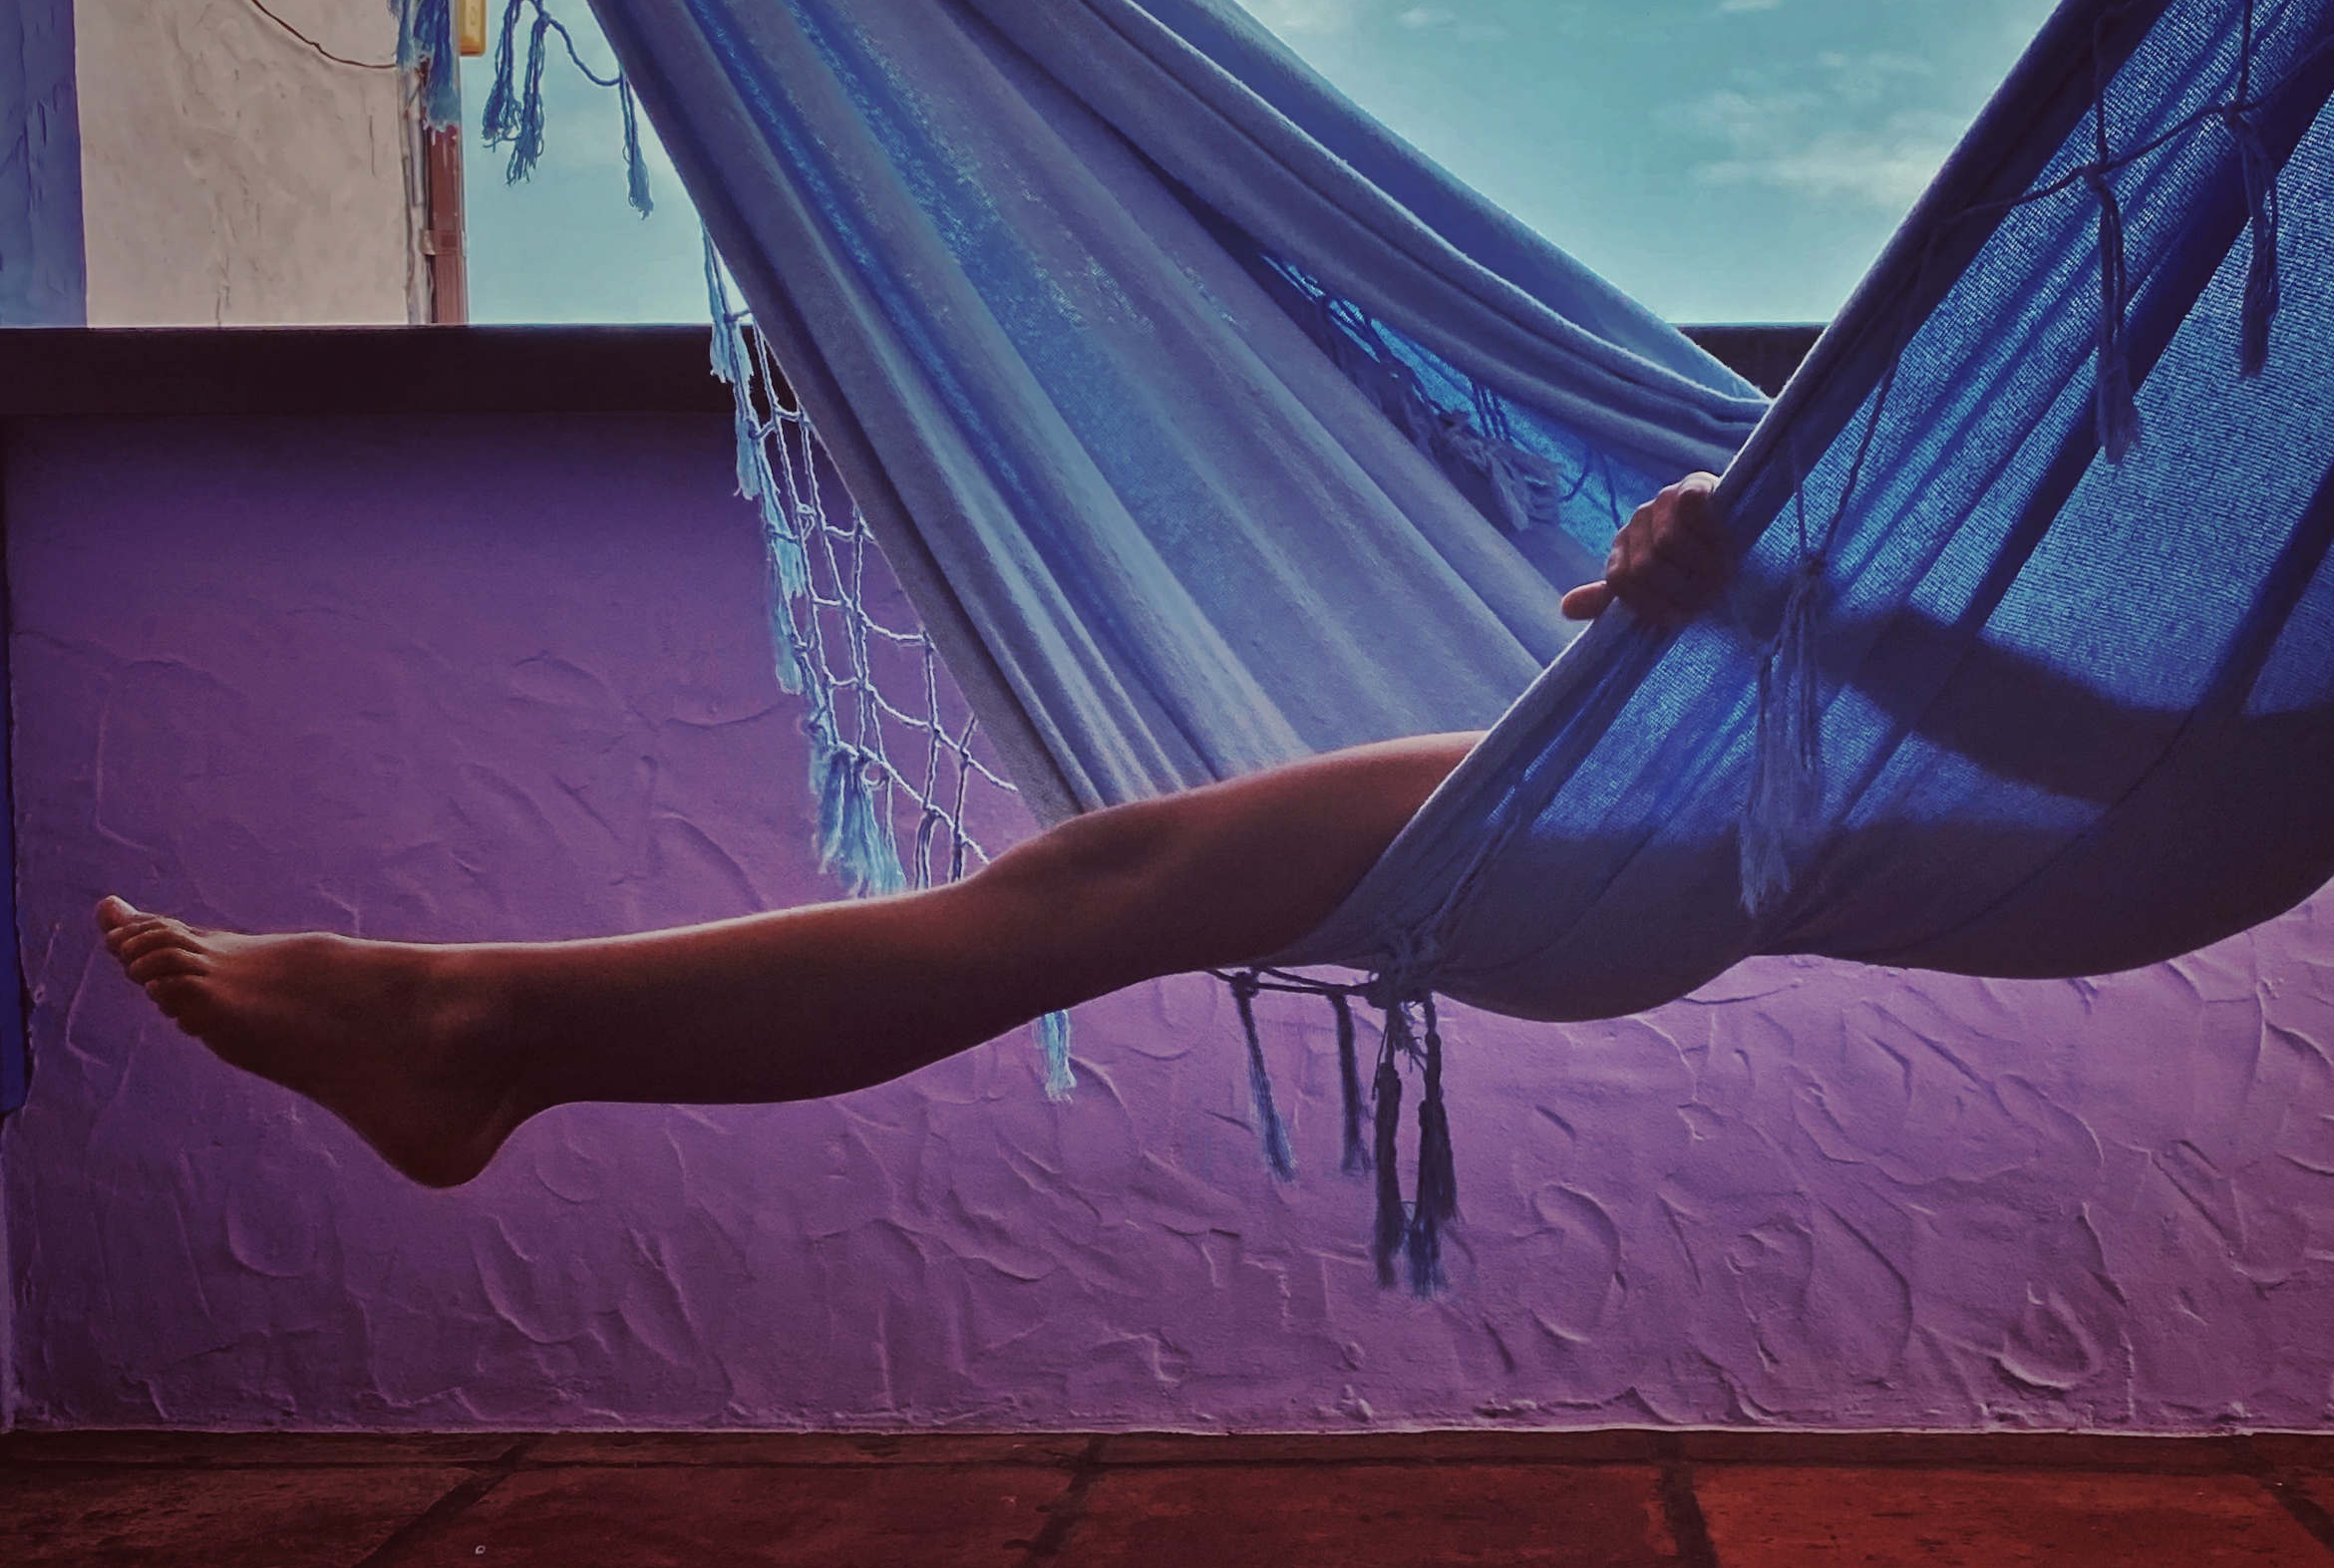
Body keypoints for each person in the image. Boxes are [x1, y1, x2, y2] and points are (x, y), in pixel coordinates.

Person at [94, 472, 1731, 1191]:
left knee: (1104, 883)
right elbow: (1889, 549)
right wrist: (1713, 519)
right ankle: (483, 1030)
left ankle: (480, 1027)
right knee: (1105, 883)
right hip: (1724, 787)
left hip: (1739, 799)